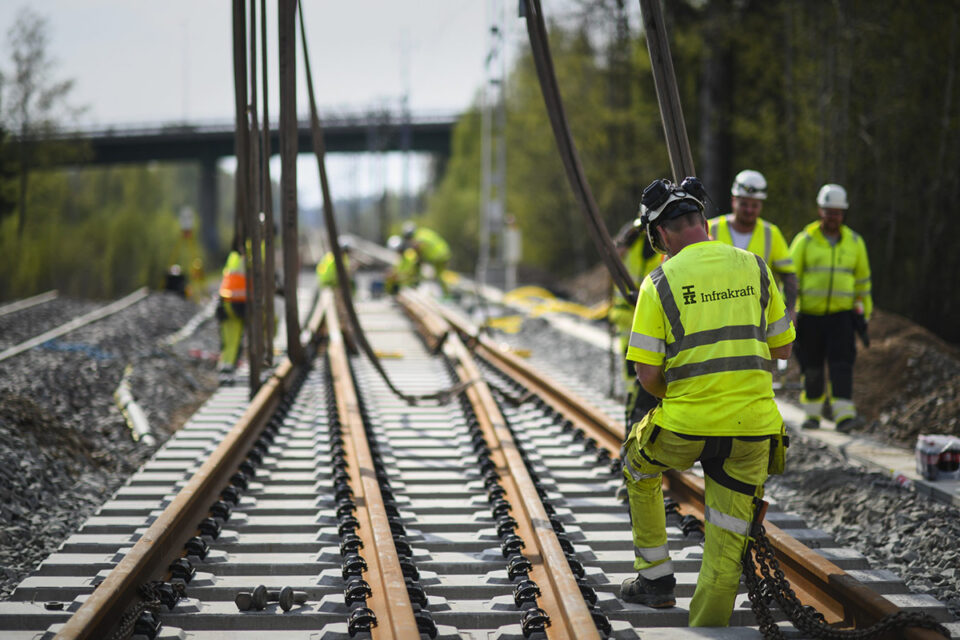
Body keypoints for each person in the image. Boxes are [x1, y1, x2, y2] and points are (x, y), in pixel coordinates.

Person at [620, 177, 795, 626]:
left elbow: (647, 375)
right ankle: (710, 625)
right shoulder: (756, 265)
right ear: (704, 222)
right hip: (754, 428)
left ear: (659, 235)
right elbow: (782, 350)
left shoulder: (658, 281)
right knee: (729, 529)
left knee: (638, 466)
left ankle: (655, 580)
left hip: (685, 426)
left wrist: (681, 396)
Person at [789, 183, 872, 432]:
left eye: (837, 212)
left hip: (842, 318)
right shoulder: (804, 241)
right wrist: (788, 312)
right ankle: (812, 415)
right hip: (810, 317)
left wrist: (864, 314)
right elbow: (790, 280)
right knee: (811, 366)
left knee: (842, 365)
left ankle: (843, 417)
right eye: (828, 211)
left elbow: (863, 282)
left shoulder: (855, 243)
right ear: (820, 211)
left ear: (843, 213)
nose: (832, 216)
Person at [708, 170, 797, 320]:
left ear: (761, 205)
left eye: (754, 205)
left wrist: (791, 310)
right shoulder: (711, 229)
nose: (749, 210)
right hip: (717, 314)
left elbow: (788, 275)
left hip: (759, 316)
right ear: (733, 200)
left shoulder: (771, 233)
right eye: (744, 204)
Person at [609, 218, 662, 435]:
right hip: (628, 323)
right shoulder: (631, 245)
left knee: (649, 384)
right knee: (635, 383)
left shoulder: (663, 251)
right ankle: (634, 431)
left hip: (649, 324)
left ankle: (640, 430)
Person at [216, 240, 247, 374]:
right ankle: (228, 367)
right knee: (233, 338)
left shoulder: (232, 258)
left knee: (227, 340)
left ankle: (225, 365)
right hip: (237, 303)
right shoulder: (246, 261)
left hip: (225, 302)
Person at [403, 222, 451, 294]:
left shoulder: (416, 237)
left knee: (439, 276)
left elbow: (418, 248)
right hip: (444, 252)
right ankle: (446, 293)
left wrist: (419, 260)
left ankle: (446, 294)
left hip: (437, 256)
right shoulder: (423, 232)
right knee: (440, 275)